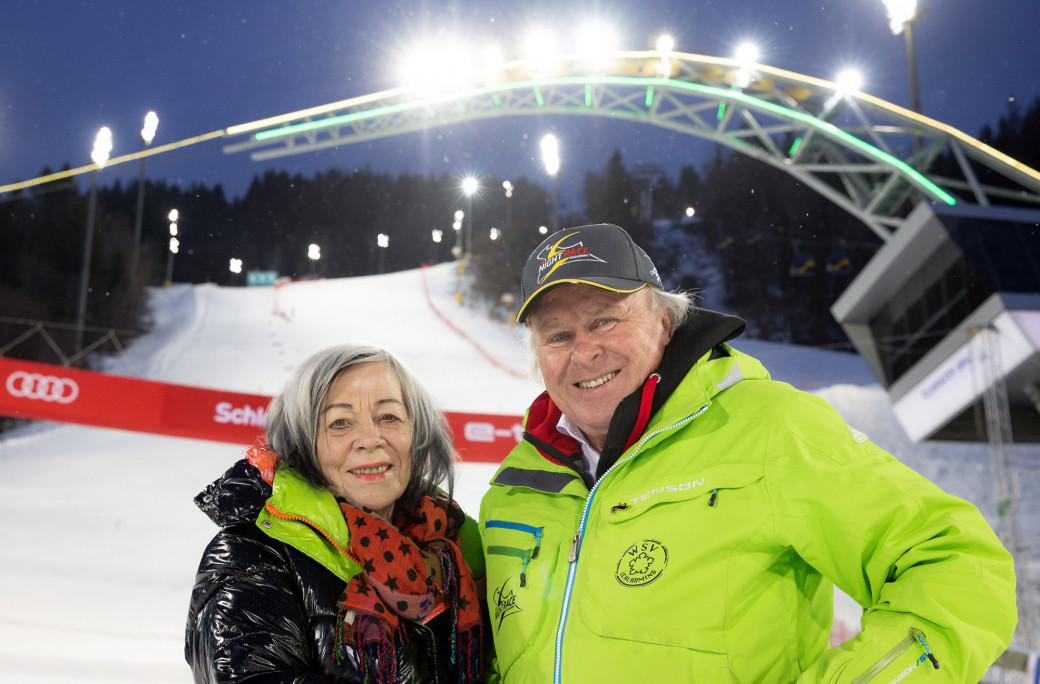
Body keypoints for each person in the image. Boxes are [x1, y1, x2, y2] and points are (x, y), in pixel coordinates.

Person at [478, 223, 1016, 682]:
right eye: (557, 335)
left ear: (666, 322)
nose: (585, 351)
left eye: (605, 319)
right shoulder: (512, 487)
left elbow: (957, 564)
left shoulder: (769, 429)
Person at [186, 343, 488, 684]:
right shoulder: (252, 554)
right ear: (303, 444)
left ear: (417, 433)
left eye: (388, 417)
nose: (369, 440)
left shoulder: (458, 544)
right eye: (340, 422)